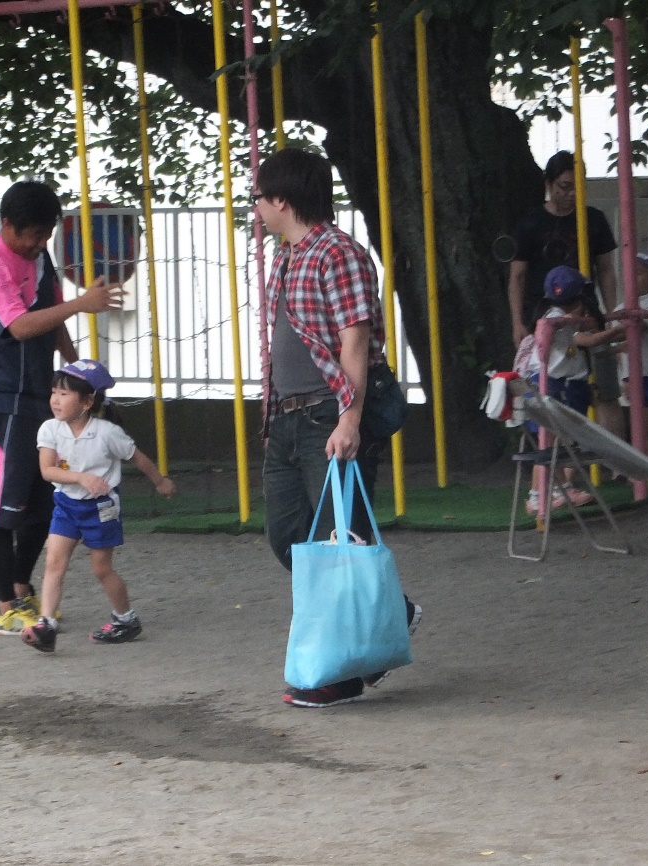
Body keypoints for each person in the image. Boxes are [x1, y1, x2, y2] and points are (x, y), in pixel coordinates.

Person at [253, 146, 420, 709]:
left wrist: (349, 418)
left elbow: (355, 340)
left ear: (282, 199)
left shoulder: (338, 253)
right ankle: (392, 611)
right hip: (287, 416)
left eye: (259, 197)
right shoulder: (287, 256)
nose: (256, 207)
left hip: (328, 412)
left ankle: (339, 674)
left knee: (334, 540)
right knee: (289, 539)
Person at [0, 180, 123, 637]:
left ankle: (21, 589)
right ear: (7, 226)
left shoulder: (41, 260)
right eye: (33, 235)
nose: (40, 244)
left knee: (44, 502)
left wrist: (75, 376)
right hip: (2, 401)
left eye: (46, 235)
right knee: (5, 505)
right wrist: (82, 303)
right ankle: (3, 605)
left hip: (42, 398)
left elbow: (53, 317)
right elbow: (19, 326)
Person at [21, 359, 176, 653]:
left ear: (87, 402)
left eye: (64, 394)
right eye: (54, 392)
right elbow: (47, 471)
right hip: (66, 504)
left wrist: (160, 482)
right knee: (54, 563)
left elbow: (137, 457)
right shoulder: (50, 429)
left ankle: (126, 619)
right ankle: (46, 625)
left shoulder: (106, 433)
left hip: (101, 508)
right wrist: (81, 478)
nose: (55, 399)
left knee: (101, 569)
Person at [507, 150, 624, 438]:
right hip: (544, 318)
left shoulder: (593, 219)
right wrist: (517, 322)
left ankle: (613, 457)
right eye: (565, 186)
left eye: (578, 186)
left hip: (587, 313)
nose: (572, 194)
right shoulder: (531, 222)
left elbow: (606, 270)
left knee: (605, 387)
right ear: (548, 184)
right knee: (548, 387)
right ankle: (553, 450)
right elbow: (517, 276)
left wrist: (611, 313)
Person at [519, 265, 604, 513]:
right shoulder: (557, 318)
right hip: (549, 384)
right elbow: (583, 337)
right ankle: (537, 496)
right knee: (548, 443)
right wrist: (614, 332)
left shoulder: (555, 314)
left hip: (554, 383)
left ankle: (561, 488)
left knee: (556, 443)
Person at [586, 252, 648, 463]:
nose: (632, 279)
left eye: (639, 274)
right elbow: (623, 346)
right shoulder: (620, 309)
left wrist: (594, 338)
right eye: (629, 274)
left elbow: (630, 331)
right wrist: (625, 376)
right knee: (646, 430)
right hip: (636, 376)